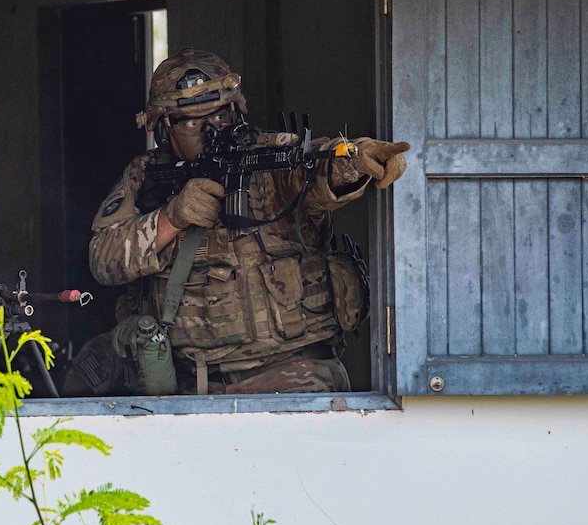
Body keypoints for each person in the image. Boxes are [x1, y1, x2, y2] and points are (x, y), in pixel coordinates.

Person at [83, 48, 409, 395]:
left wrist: (355, 161)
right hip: (194, 387)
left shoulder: (269, 158)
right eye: (195, 121)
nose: (213, 129)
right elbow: (103, 260)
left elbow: (316, 167)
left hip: (294, 375)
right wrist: (170, 219)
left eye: (222, 115)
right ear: (165, 126)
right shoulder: (146, 175)